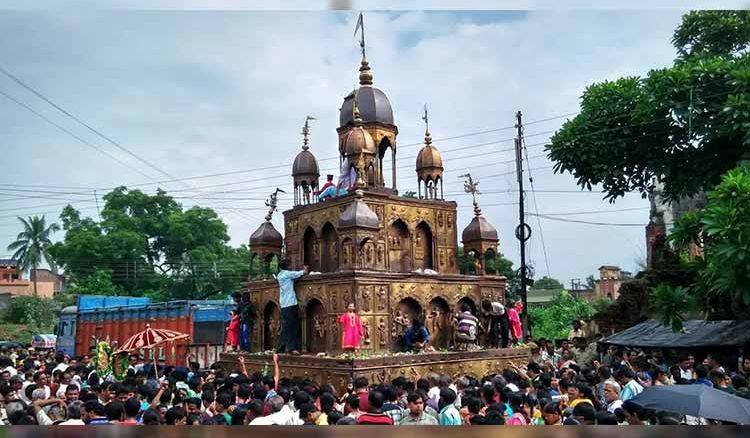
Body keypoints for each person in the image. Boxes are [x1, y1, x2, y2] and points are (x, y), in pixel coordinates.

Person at [276, 260, 309, 354]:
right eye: (289, 265)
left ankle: (282, 348)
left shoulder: (280, 275)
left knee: (286, 327)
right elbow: (301, 273)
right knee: (292, 327)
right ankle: (291, 348)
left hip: (284, 305)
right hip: (290, 304)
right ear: (286, 267)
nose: (290, 267)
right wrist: (305, 269)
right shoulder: (287, 274)